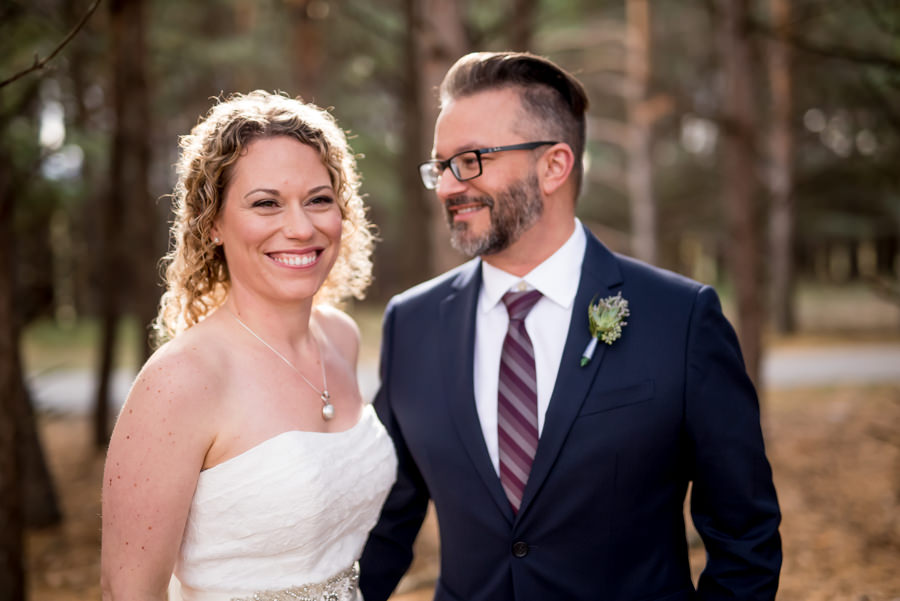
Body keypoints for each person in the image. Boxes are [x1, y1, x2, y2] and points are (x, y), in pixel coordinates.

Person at [359, 52, 781, 601]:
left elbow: (745, 535)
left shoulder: (680, 319)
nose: (446, 187)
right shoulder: (411, 323)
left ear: (554, 166)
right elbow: (387, 522)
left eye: (469, 160)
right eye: (441, 166)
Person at [100, 90, 397, 601]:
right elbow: (127, 592)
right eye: (266, 203)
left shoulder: (340, 338)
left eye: (318, 199)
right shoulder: (181, 380)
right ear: (213, 223)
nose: (301, 228)